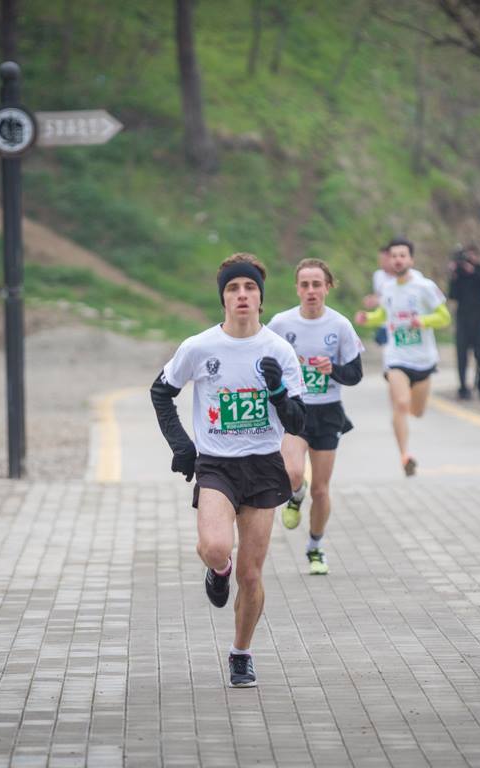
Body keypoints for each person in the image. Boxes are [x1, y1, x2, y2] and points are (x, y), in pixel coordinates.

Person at [150, 252, 306, 688]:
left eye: (250, 287)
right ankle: (217, 571)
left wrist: (277, 391)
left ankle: (241, 652)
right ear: (223, 298)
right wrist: (182, 445)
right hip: (217, 464)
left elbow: (298, 422)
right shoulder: (199, 347)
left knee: (251, 575)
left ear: (260, 298)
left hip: (263, 465)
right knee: (216, 547)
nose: (242, 295)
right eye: (233, 288)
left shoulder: (279, 350)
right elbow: (160, 392)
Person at [268, 258, 365, 574]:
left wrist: (332, 369)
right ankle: (296, 494)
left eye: (317, 284)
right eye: (305, 285)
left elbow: (355, 374)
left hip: (327, 412)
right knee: (293, 473)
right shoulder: (280, 324)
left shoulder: (340, 326)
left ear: (327, 287)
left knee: (321, 489)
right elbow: (262, 362)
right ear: (297, 288)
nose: (311, 290)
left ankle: (315, 548)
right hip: (295, 409)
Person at [354, 237, 451, 476]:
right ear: (389, 261)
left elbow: (444, 317)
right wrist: (368, 318)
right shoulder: (387, 288)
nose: (397, 260)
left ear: (411, 260)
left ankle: (405, 431)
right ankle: (405, 456)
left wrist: (423, 321)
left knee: (416, 411)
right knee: (400, 403)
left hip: (423, 359)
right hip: (396, 357)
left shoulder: (425, 286)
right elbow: (383, 315)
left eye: (402, 256)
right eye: (394, 256)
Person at [447, 244, 480, 400]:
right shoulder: (459, 274)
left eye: (473, 255)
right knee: (462, 355)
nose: (470, 259)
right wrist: (453, 276)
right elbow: (453, 295)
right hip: (463, 319)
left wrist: (473, 271)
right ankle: (463, 387)